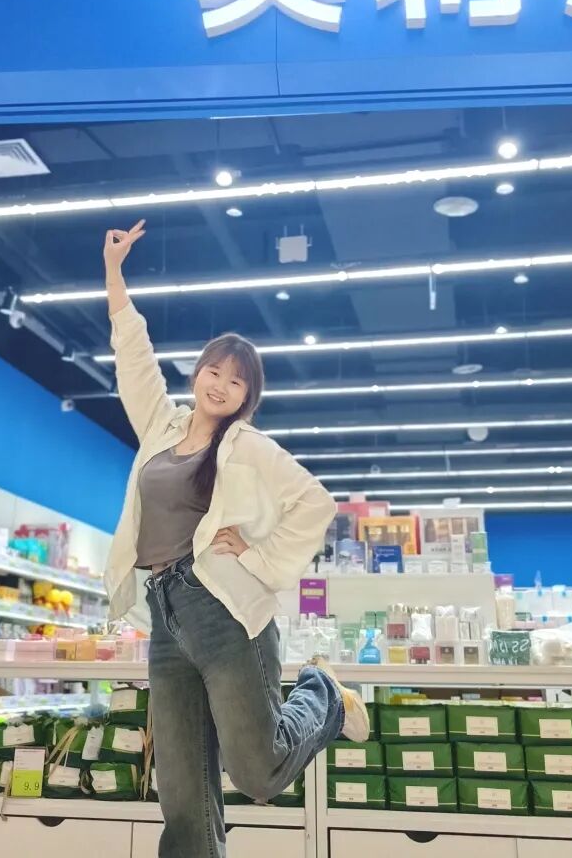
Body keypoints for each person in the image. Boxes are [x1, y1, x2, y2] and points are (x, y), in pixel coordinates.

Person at [102, 219, 369, 857]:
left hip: (222, 612)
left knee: (257, 771)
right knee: (183, 795)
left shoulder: (248, 447)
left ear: (248, 396)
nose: (220, 384)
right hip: (165, 614)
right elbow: (133, 357)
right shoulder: (162, 427)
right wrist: (114, 273)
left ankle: (324, 695)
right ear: (198, 373)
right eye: (214, 370)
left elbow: (316, 501)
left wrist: (260, 556)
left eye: (237, 380)